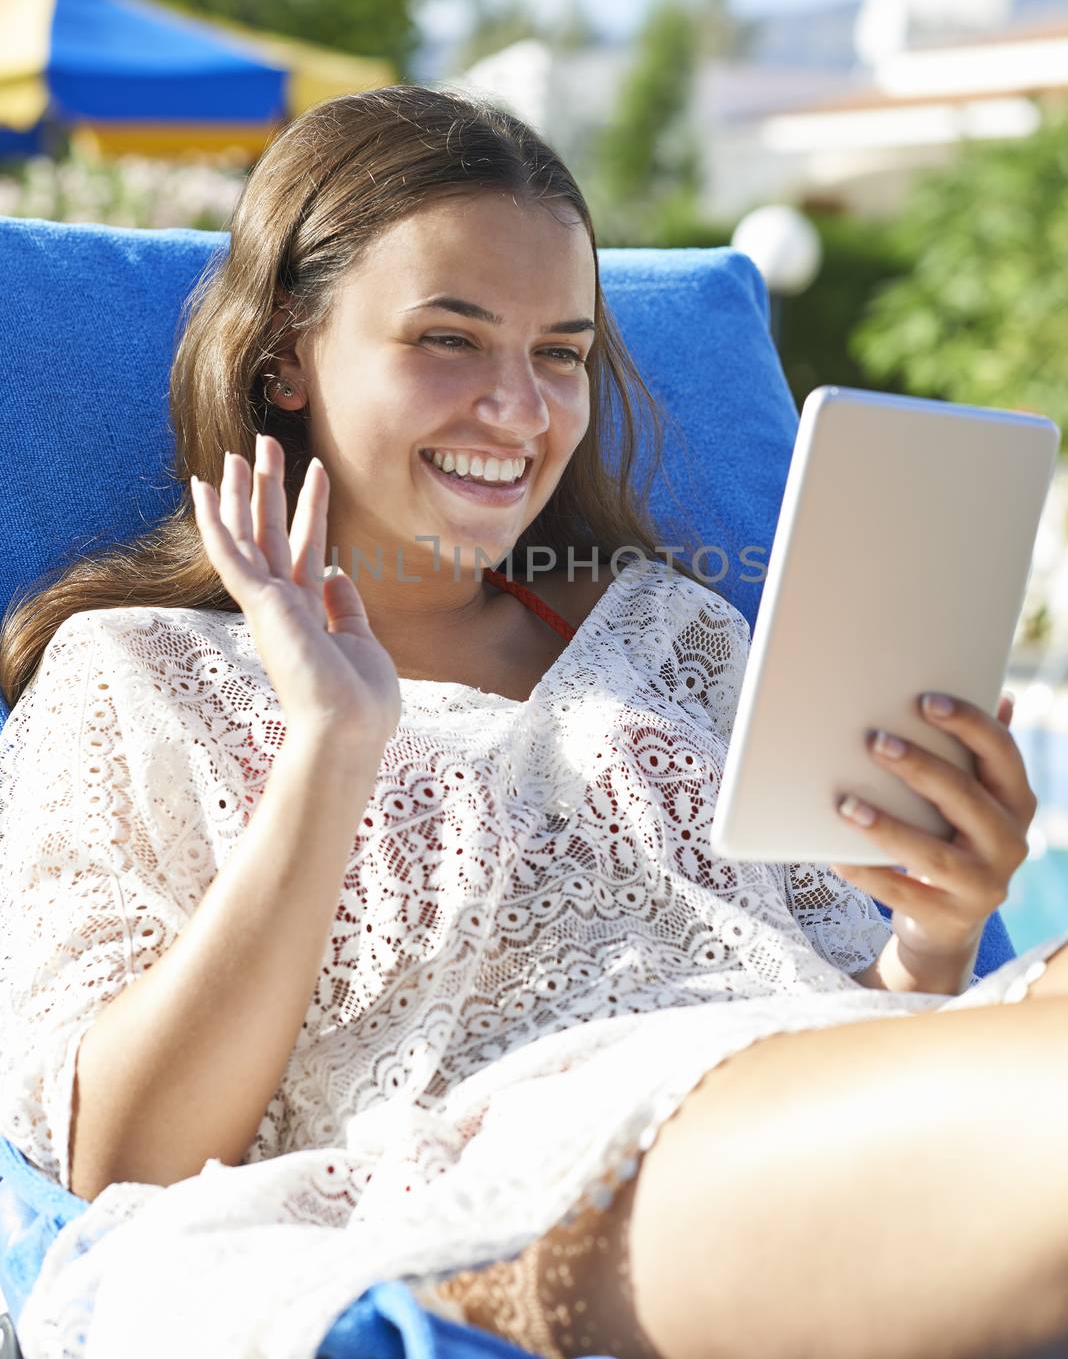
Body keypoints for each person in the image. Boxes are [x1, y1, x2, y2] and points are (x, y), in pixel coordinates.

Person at [1, 85, 1068, 1359]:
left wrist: (937, 929)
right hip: (547, 1183)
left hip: (832, 1100)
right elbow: (125, 1168)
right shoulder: (136, 678)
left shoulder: (673, 635)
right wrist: (331, 748)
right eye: (450, 338)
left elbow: (860, 1004)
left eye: (559, 352)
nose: (521, 409)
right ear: (284, 353)